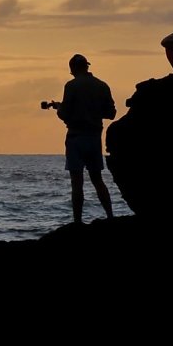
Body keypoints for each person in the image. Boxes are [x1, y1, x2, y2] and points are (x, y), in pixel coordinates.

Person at [54, 54, 116, 224]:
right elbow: (111, 113)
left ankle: (78, 222)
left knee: (77, 182)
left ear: (72, 68)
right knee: (98, 179)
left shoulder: (71, 86)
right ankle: (110, 217)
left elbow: (65, 114)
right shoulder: (102, 85)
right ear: (87, 66)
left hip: (75, 138)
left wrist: (59, 109)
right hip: (95, 138)